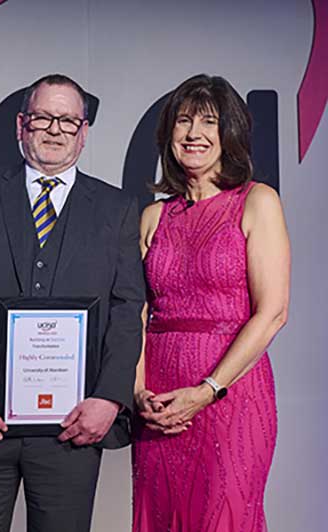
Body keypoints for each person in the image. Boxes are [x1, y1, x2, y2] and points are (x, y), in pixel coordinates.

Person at [0, 74, 146, 532]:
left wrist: (109, 398)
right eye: (43, 117)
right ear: (20, 126)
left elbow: (129, 308)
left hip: (71, 427)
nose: (54, 129)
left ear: (83, 132)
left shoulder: (117, 208)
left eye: (68, 120)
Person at [132, 74, 289, 532]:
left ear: (230, 134)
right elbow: (137, 315)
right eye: (184, 121)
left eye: (209, 122)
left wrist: (207, 390)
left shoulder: (257, 202)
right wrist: (139, 391)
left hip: (231, 397)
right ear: (169, 135)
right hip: (158, 404)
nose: (194, 134)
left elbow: (273, 311)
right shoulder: (153, 216)